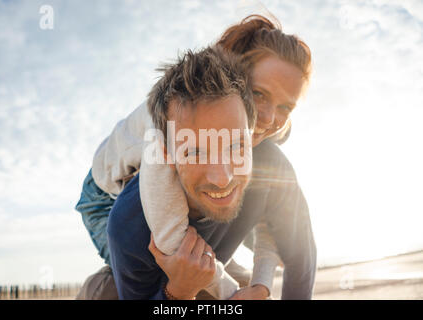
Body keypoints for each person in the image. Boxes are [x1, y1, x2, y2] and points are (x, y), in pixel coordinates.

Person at [76, 14, 316, 300]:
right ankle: (100, 288)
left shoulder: (262, 134)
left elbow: (296, 246)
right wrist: (225, 291)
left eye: (285, 107)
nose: (268, 118)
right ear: (231, 80)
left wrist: (261, 283)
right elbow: (169, 238)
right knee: (168, 270)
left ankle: (221, 265)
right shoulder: (172, 128)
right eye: (259, 94)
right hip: (103, 194)